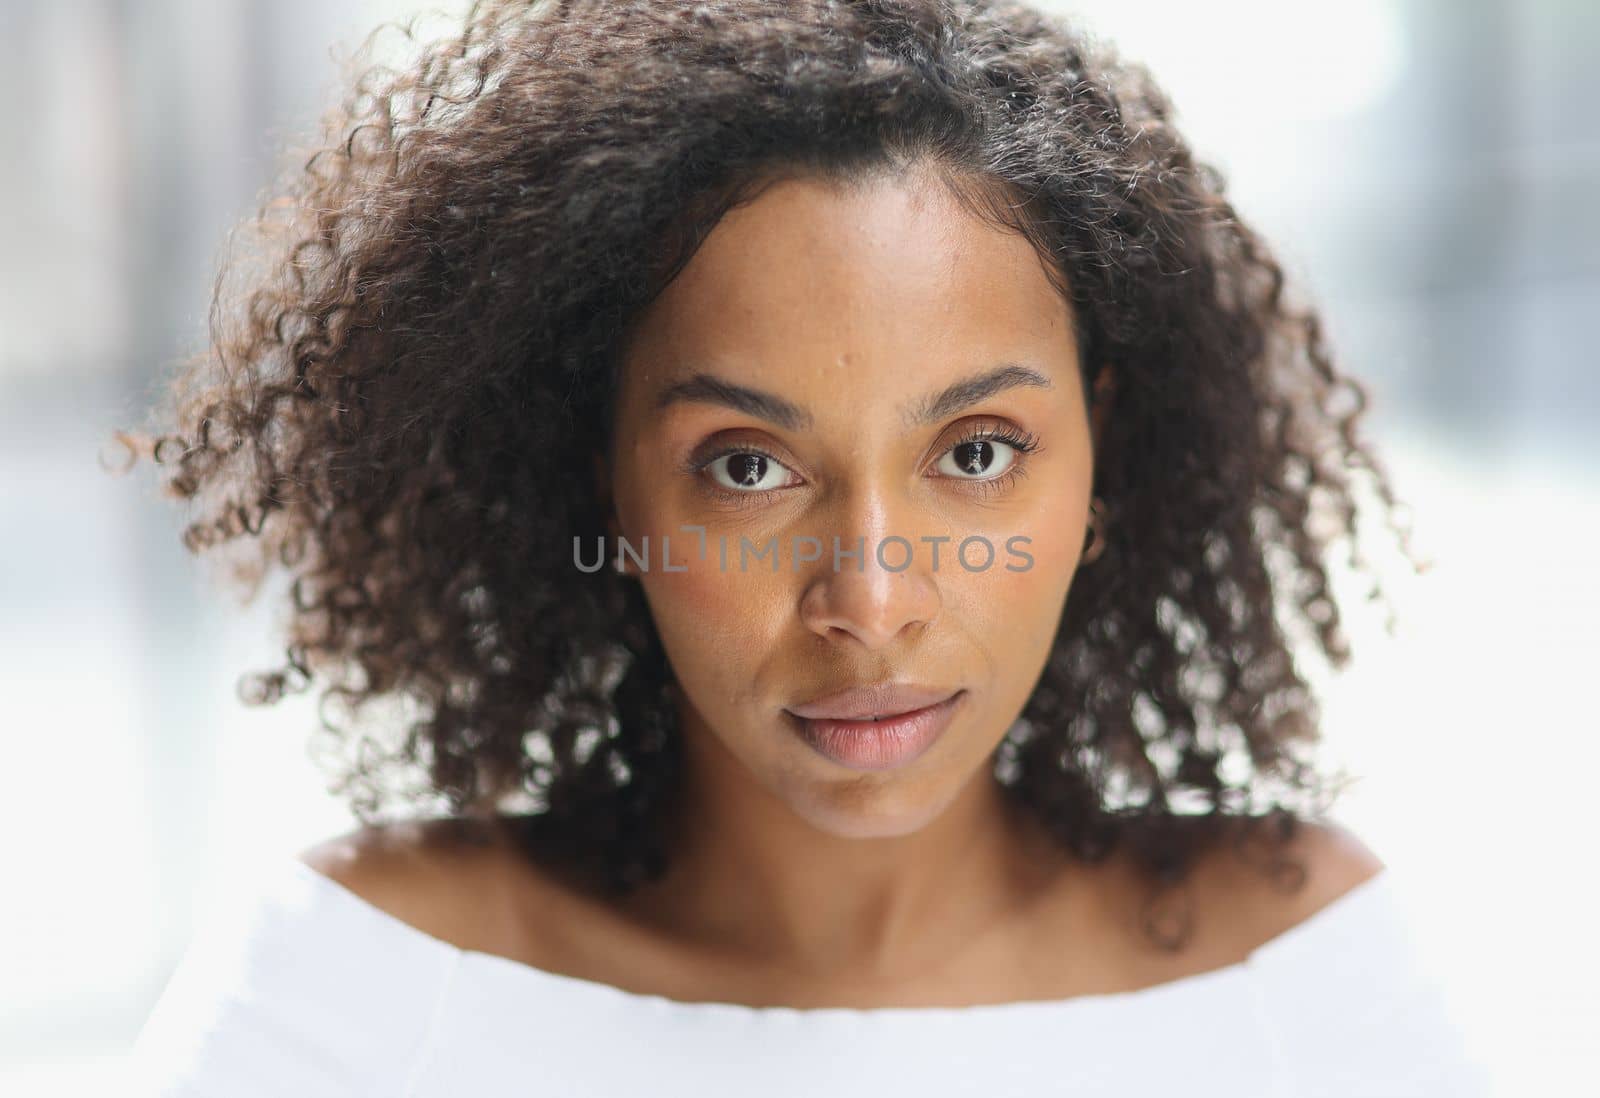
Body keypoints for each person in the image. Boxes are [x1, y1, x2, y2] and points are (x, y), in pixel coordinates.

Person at [120, 0, 1488, 1094]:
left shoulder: (1304, 980)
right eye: (748, 466)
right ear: (606, 486)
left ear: (1100, 457)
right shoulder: (358, 996)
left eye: (975, 453)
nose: (872, 602)